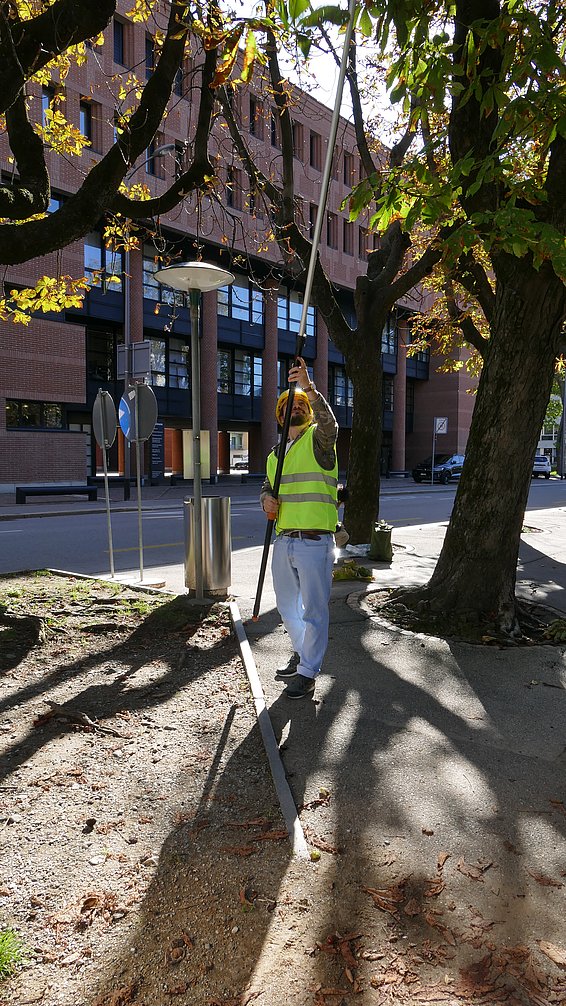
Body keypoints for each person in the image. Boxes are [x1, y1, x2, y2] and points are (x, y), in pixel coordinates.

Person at [260, 358, 339, 699]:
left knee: (314, 609)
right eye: (287, 406)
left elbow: (331, 424)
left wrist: (308, 386)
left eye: (300, 405)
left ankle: (308, 671)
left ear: (307, 411)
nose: (294, 409)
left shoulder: (319, 441)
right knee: (286, 606)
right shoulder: (275, 454)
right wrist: (266, 498)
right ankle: (302, 653)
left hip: (315, 541)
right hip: (285, 540)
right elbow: (268, 486)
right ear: (280, 415)